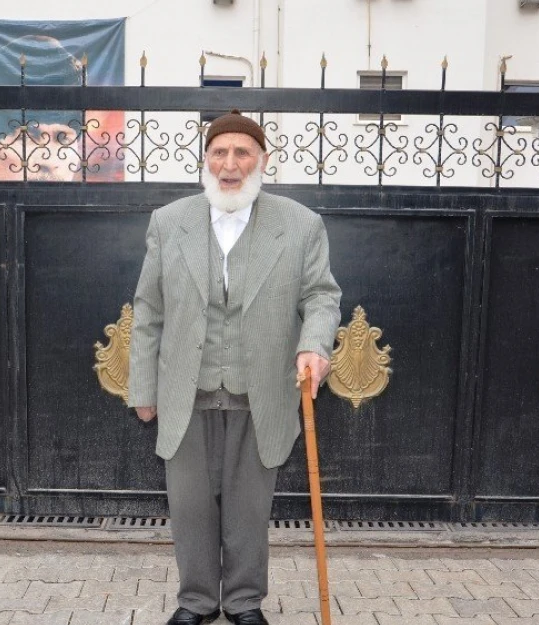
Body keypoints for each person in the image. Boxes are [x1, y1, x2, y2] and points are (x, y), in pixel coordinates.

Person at [128, 111, 342, 625]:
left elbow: (321, 296)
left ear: (262, 161)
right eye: (219, 153)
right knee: (191, 508)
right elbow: (148, 310)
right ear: (205, 160)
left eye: (242, 153)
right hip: (187, 390)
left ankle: (245, 603)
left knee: (249, 511)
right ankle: (196, 602)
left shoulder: (299, 225)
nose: (230, 164)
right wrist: (143, 386)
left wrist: (315, 345)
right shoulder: (169, 221)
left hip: (261, 391)